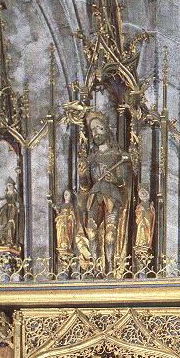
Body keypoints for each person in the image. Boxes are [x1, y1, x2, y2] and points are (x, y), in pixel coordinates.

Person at [79, 110, 131, 273]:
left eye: (99, 128)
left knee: (110, 233)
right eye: (93, 130)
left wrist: (114, 178)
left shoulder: (118, 155)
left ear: (107, 130)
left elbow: (124, 181)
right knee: (91, 231)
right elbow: (86, 186)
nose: (96, 133)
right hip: (95, 195)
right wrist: (82, 176)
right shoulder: (90, 159)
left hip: (112, 195)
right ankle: (96, 268)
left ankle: (110, 268)